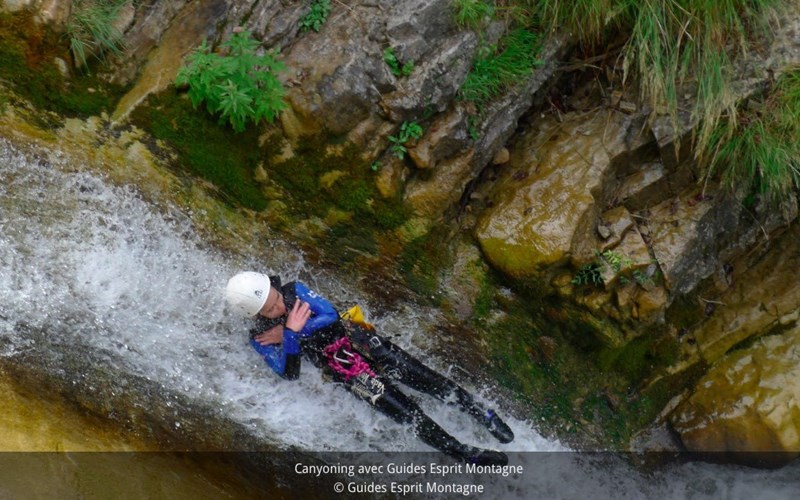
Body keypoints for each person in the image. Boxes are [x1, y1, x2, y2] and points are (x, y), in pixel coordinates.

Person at [225, 272, 514, 465]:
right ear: (255, 315)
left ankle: (484, 415)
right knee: (409, 415)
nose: (280, 307)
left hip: (365, 343)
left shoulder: (294, 290)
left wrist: (293, 331)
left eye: (276, 298)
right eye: (270, 310)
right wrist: (289, 335)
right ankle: (465, 454)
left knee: (433, 383)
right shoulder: (260, 338)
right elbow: (289, 374)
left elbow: (330, 314)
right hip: (348, 371)